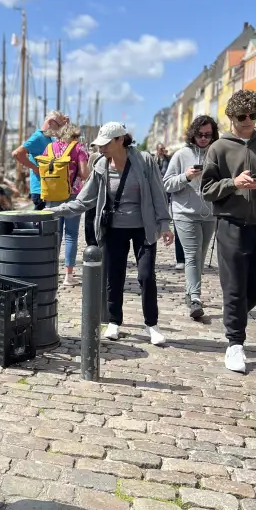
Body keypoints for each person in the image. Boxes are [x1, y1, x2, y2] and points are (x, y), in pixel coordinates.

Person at [50, 122, 173, 345]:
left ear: (120, 140)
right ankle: (114, 321)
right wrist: (55, 210)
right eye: (100, 144)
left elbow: (158, 193)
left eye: (106, 144)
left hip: (143, 228)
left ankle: (151, 325)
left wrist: (164, 224)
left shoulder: (144, 161)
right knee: (114, 276)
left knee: (146, 276)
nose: (101, 148)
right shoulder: (100, 165)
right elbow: (84, 200)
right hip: (114, 228)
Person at [201, 89, 256, 374]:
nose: (248, 120)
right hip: (231, 225)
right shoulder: (218, 148)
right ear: (231, 117)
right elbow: (206, 190)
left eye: (253, 115)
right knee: (234, 287)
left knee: (255, 286)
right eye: (242, 116)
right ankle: (235, 343)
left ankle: (233, 318)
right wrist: (234, 183)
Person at [163, 116, 218, 320]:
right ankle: (195, 298)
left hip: (209, 213)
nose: (203, 139)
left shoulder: (216, 153)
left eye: (208, 135)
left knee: (200, 258)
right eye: (199, 135)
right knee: (192, 255)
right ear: (192, 133)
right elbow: (166, 184)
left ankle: (190, 292)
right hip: (184, 213)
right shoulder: (181, 154)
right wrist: (185, 176)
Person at [45, 123, 89, 285]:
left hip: (52, 194)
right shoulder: (78, 148)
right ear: (75, 135)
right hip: (72, 194)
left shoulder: (50, 147)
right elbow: (84, 173)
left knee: (54, 235)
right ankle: (68, 275)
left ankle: (51, 271)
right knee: (71, 235)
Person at [12, 110, 68, 209]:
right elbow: (17, 153)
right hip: (40, 190)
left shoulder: (49, 138)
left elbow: (65, 142)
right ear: (51, 122)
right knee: (41, 223)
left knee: (49, 222)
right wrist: (35, 168)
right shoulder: (38, 137)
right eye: (58, 126)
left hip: (49, 189)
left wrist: (66, 124)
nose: (59, 129)